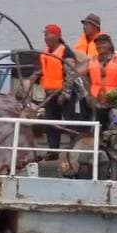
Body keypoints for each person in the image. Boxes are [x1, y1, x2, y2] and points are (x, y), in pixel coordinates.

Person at [38, 24, 73, 154]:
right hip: (49, 93)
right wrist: (36, 74)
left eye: (48, 34)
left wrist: (65, 94)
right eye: (45, 34)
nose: (46, 37)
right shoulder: (46, 51)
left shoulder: (65, 51)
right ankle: (53, 151)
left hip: (63, 94)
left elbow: (70, 74)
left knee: (70, 122)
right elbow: (45, 69)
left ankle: (74, 149)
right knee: (51, 123)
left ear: (58, 36)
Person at [86, 33, 117, 108]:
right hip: (96, 102)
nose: (99, 46)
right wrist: (89, 95)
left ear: (110, 45)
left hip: (115, 102)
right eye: (97, 44)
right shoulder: (91, 61)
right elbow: (86, 79)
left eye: (103, 43)